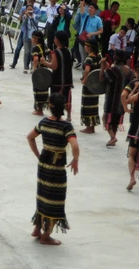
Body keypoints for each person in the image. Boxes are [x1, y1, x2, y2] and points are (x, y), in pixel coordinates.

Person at [26, 93, 78, 246]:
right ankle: (46, 236)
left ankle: (37, 229)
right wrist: (75, 159)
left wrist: (38, 155)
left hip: (43, 165)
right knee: (55, 200)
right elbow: (74, 145)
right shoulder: (65, 126)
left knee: (42, 196)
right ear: (64, 107)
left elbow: (30, 137)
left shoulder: (43, 122)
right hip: (56, 168)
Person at [102, 50, 132, 147]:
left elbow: (102, 79)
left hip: (112, 99)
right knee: (115, 120)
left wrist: (103, 67)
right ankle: (113, 137)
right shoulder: (129, 70)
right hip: (123, 100)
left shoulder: (113, 70)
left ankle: (112, 137)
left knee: (106, 119)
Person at [43, 30, 74, 122]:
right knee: (67, 97)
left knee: (55, 98)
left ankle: (55, 115)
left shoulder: (55, 52)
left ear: (57, 40)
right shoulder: (69, 51)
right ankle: (68, 115)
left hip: (57, 79)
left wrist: (44, 62)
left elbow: (54, 66)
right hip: (68, 79)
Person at [79, 38, 102, 134]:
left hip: (89, 85)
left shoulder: (89, 58)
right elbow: (106, 65)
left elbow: (87, 70)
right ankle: (92, 127)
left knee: (87, 105)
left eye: (86, 45)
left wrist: (84, 80)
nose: (84, 47)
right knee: (94, 105)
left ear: (89, 47)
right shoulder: (99, 56)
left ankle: (88, 127)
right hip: (96, 85)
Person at [11, 3, 37, 71]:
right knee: (26, 52)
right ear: (26, 10)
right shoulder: (25, 16)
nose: (30, 11)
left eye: (31, 9)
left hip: (34, 37)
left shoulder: (36, 16)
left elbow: (36, 25)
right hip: (26, 36)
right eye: (28, 10)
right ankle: (25, 67)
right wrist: (26, 16)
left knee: (33, 52)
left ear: (33, 10)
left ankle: (32, 67)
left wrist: (31, 17)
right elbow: (23, 24)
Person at [30, 30, 49, 116]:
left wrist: (34, 69)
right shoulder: (45, 47)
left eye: (33, 37)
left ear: (36, 39)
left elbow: (36, 59)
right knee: (44, 89)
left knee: (37, 90)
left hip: (38, 71)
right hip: (45, 71)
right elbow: (51, 54)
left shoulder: (35, 48)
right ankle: (41, 107)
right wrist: (48, 63)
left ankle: (39, 110)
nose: (31, 39)